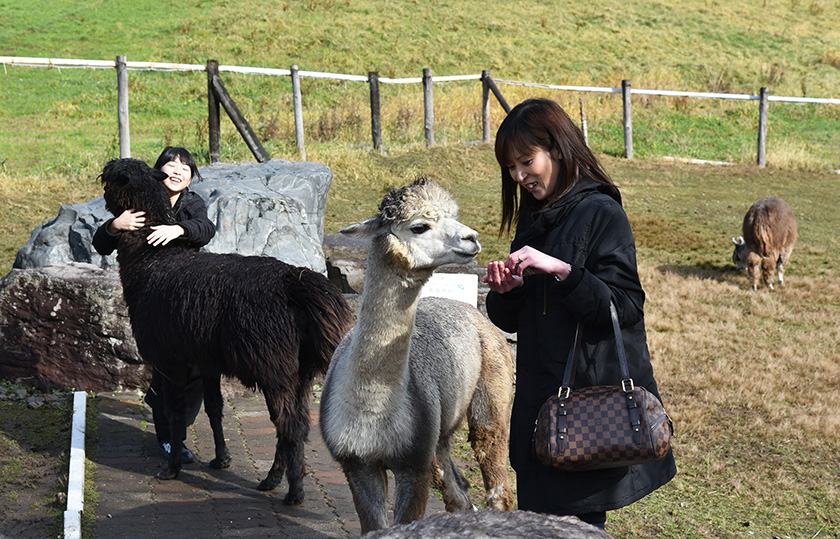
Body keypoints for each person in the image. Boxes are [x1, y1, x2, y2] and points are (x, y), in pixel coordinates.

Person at [482, 99, 676, 529]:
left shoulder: (602, 213)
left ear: (557, 149)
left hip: (588, 415)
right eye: (510, 167)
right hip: (542, 407)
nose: (518, 176)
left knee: (579, 527)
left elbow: (623, 306)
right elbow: (514, 319)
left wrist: (564, 271)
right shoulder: (536, 217)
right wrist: (508, 292)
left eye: (526, 161)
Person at [93, 146, 216, 463]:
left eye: (185, 168)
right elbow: (101, 244)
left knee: (202, 365)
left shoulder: (191, 203)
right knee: (168, 363)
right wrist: (114, 226)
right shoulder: (137, 201)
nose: (177, 171)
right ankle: (169, 437)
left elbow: (206, 229)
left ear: (190, 179)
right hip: (153, 297)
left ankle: (172, 418)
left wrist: (180, 228)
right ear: (157, 172)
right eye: (171, 165)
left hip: (188, 295)